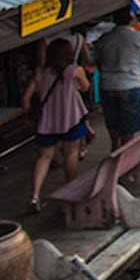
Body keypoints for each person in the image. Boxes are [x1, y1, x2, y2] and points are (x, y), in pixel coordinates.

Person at [21, 36, 90, 212]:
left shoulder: (40, 72)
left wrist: (28, 114)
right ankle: (70, 190)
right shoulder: (74, 70)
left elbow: (26, 98)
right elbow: (85, 88)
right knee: (71, 153)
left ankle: (34, 196)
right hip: (70, 119)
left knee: (44, 157)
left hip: (47, 122)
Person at [92, 16, 140, 150]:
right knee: (129, 125)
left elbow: (98, 61)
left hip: (108, 85)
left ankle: (115, 148)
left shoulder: (104, 39)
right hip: (131, 85)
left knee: (112, 121)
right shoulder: (139, 37)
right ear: (131, 19)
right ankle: (126, 153)